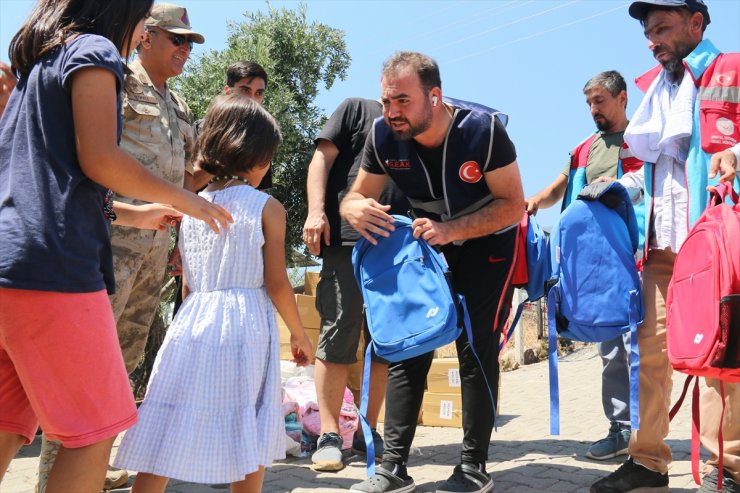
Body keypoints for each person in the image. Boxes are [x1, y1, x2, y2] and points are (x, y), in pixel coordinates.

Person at [0, 1, 232, 492]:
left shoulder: (41, 60)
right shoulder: (95, 50)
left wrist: (131, 211)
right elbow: (100, 157)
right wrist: (184, 201)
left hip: (12, 264)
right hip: (56, 269)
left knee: (7, 423)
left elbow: (49, 174)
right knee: (95, 429)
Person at [341, 51, 524, 493]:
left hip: (488, 243)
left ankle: (473, 467)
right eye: (386, 101)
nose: (391, 112)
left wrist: (451, 229)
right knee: (408, 345)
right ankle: (392, 468)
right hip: (428, 245)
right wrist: (354, 208)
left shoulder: (483, 132)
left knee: (475, 349)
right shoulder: (383, 135)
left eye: (402, 101)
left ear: (435, 96)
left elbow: (512, 205)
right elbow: (353, 197)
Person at [113, 94, 314, 493]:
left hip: (192, 321)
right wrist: (300, 333)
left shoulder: (190, 205)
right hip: (245, 324)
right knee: (248, 428)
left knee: (169, 422)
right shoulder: (266, 207)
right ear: (258, 158)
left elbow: (187, 281)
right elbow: (276, 282)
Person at [590, 1, 740, 492]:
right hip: (661, 245)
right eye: (648, 32)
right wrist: (621, 191)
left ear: (696, 23)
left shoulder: (730, 70)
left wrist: (736, 154)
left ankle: (728, 467)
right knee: (649, 354)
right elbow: (659, 169)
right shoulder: (654, 91)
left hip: (715, 243)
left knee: (722, 356)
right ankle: (648, 461)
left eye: (663, 28)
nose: (653, 40)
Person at [526, 70, 643, 461]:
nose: (593, 109)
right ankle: (621, 428)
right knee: (613, 346)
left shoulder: (643, 137)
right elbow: (559, 188)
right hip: (597, 264)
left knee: (643, 348)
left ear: (622, 98)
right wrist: (531, 203)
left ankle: (648, 432)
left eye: (600, 101)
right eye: (589, 103)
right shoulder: (583, 149)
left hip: (639, 256)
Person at [303, 97, 409, 471]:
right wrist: (316, 211)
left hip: (398, 245)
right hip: (346, 239)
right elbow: (321, 160)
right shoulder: (356, 110)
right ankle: (329, 435)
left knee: (385, 340)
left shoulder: (423, 125)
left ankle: (369, 430)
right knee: (338, 331)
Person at [191, 60, 271, 191]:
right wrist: (226, 154)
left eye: (259, 93)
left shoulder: (261, 136)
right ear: (228, 91)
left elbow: (258, 192)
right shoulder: (202, 128)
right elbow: (183, 186)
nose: (252, 99)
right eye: (245, 90)